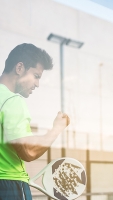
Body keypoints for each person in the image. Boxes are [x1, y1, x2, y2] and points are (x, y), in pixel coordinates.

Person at [0, 43, 70, 200]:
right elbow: (28, 151)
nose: (37, 84)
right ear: (19, 68)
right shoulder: (12, 101)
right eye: (36, 76)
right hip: (9, 186)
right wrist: (56, 129)